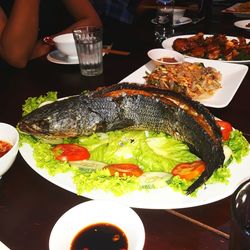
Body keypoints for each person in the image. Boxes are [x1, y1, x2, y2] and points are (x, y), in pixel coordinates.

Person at [0, 0, 102, 68]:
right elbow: (17, 56)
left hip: (57, 69)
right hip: (12, 85)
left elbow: (92, 22)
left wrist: (48, 44)